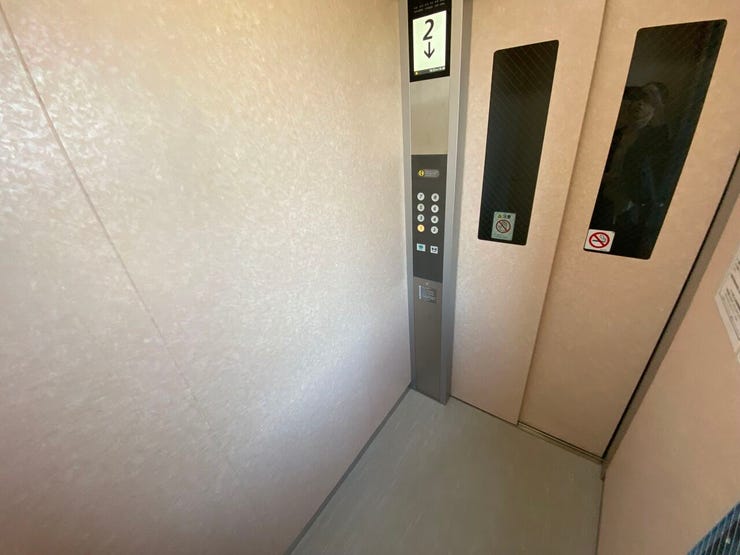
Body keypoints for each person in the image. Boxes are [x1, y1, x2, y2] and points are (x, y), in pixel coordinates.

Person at [590, 82, 671, 257]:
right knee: (595, 248)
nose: (640, 103)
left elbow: (657, 169)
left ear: (657, 106)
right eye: (638, 97)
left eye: (648, 99)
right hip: (602, 202)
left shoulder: (656, 138)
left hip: (632, 208)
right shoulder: (615, 134)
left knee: (620, 251)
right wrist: (601, 178)